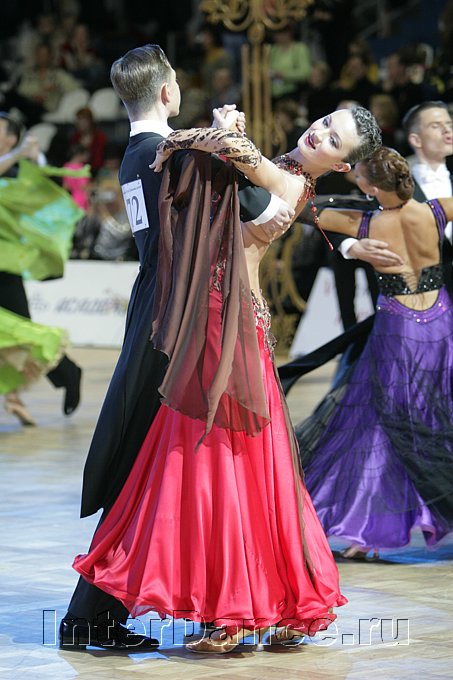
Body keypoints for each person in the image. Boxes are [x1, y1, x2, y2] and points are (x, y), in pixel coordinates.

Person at [70, 103, 383, 654]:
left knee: (223, 465)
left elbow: (237, 153)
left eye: (334, 140)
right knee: (215, 466)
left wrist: (214, 132)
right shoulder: (281, 170)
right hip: (216, 319)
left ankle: (236, 609)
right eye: (325, 123)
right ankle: (236, 603)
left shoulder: (289, 183)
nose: (320, 133)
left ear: (341, 166)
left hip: (232, 327)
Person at [59, 43, 299, 652]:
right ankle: (90, 616)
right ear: (168, 92)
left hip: (153, 310)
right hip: (181, 318)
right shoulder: (180, 155)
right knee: (146, 466)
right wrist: (230, 144)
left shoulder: (136, 156)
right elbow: (273, 211)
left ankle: (102, 613)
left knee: (141, 462)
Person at [292, 147, 453, 560]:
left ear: (372, 187)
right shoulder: (436, 210)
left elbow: (302, 211)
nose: (354, 179)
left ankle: (368, 533)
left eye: (359, 177)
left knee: (383, 425)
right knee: (437, 416)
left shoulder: (363, 222)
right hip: (441, 322)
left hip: (398, 327)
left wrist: (347, 237)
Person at [0, 111, 82, 424]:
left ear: (11, 138)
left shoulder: (20, 169)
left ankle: (67, 372)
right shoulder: (13, 162)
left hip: (6, 265)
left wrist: (31, 158)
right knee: (12, 333)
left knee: (22, 332)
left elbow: (49, 188)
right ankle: (14, 396)